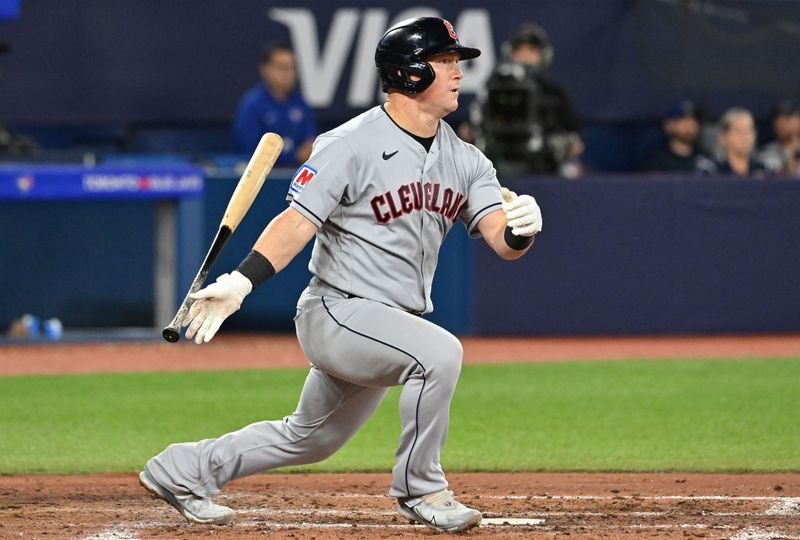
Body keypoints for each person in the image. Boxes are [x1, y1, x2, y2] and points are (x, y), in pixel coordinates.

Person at [138, 17, 542, 533]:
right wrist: (242, 281)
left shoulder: (467, 160)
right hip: (338, 310)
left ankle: (182, 469)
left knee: (312, 437)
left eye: (455, 62)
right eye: (445, 62)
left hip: (392, 321)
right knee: (440, 353)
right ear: (411, 73)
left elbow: (501, 240)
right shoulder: (349, 143)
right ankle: (423, 490)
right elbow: (296, 221)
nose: (458, 73)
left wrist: (523, 229)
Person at [469, 22, 583, 177]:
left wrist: (559, 145)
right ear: (510, 53)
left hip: (542, 170)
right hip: (495, 168)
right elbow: (470, 128)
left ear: (544, 55)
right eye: (520, 50)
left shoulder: (554, 92)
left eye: (532, 50)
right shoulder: (492, 86)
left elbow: (575, 140)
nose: (525, 56)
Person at [232, 43, 316, 167]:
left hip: (296, 175)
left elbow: (310, 143)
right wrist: (294, 156)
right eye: (282, 67)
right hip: (261, 177)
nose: (289, 74)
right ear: (265, 69)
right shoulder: (252, 104)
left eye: (292, 68)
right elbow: (250, 151)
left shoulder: (301, 103)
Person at [696, 108, 767, 177]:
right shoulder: (711, 169)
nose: (745, 136)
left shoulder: (762, 170)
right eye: (738, 131)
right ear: (724, 136)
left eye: (749, 130)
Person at [644, 100, 706, 172]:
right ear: (668, 125)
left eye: (694, 120)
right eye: (683, 120)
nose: (690, 125)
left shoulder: (705, 161)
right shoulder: (657, 163)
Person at [758, 100, 800, 177]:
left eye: (787, 119)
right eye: (777, 120)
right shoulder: (764, 155)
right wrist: (784, 171)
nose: (781, 124)